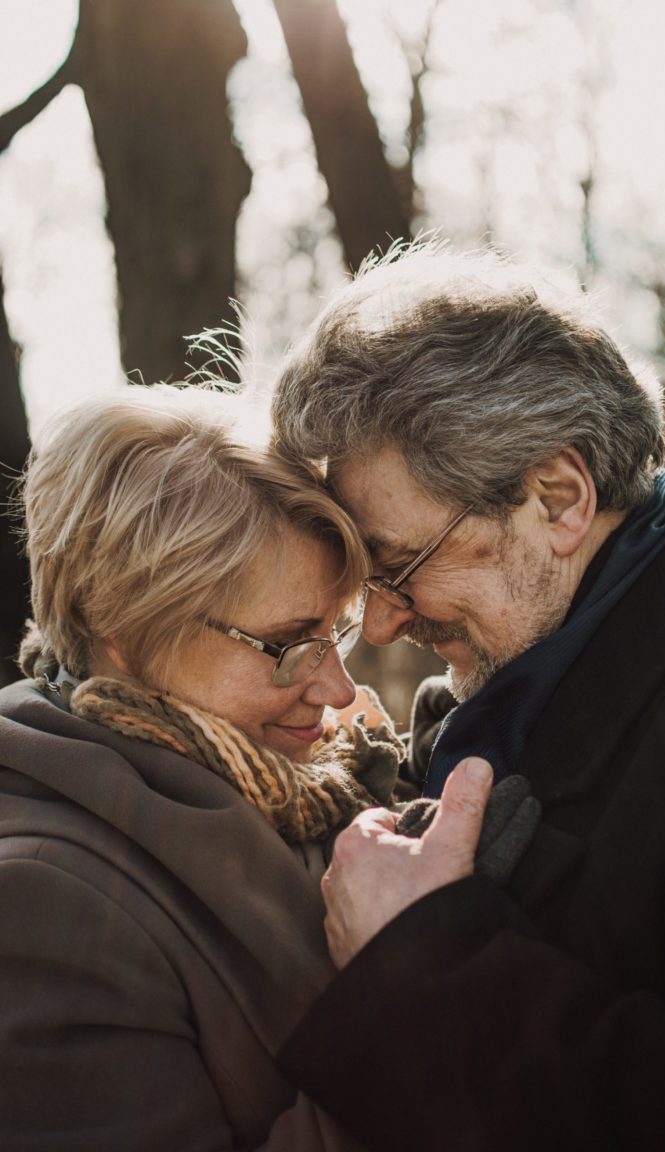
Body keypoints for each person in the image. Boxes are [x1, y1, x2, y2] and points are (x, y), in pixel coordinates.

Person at [269, 242, 665, 1151]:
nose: (378, 628)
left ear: (559, 497)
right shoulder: (494, 712)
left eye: (401, 567)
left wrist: (421, 961)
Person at [0, 382, 407, 1151]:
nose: (337, 689)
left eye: (336, 634)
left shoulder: (312, 787)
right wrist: (411, 990)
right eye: (290, 644)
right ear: (125, 629)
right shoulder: (37, 906)